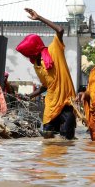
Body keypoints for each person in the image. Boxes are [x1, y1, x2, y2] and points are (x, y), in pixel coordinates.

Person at [16, 8, 76, 140]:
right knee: (48, 138)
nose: (27, 55)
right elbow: (45, 86)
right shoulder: (36, 65)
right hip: (51, 104)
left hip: (66, 103)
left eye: (27, 52)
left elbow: (60, 30)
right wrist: (29, 96)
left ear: (33, 48)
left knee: (67, 139)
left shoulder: (54, 50)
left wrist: (39, 18)